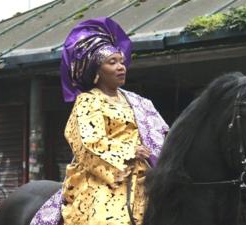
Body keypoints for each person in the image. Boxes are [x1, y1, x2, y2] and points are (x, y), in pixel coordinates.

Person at [30, 17, 169, 225]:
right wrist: (130, 151)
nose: (121, 67)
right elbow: (87, 144)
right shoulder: (88, 101)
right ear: (96, 71)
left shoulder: (139, 102)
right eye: (112, 62)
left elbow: (164, 135)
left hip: (147, 174)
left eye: (121, 61)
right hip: (106, 178)